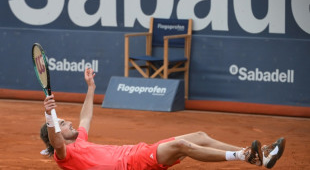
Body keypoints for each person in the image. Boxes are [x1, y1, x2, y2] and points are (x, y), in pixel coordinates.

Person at [40, 68, 286, 170]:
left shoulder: (79, 140)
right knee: (182, 146)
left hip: (139, 151)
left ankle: (259, 157)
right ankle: (244, 156)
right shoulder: (65, 155)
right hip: (132, 165)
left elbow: (85, 117)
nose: (68, 122)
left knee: (199, 136)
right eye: (63, 123)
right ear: (56, 136)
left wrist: (91, 87)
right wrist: (50, 117)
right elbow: (57, 140)